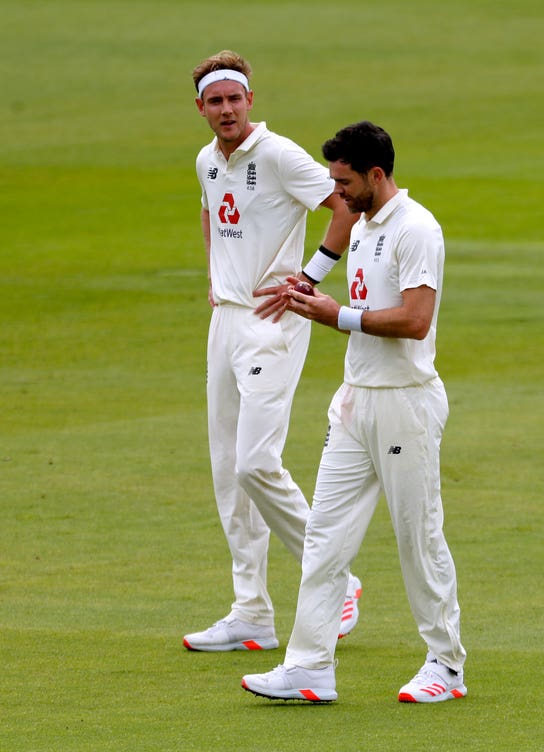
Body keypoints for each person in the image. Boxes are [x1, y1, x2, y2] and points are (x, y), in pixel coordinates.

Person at [241, 121, 467, 702]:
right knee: (323, 537)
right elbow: (355, 300)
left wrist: (335, 315)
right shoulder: (364, 224)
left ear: (375, 174)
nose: (335, 198)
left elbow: (415, 321)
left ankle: (445, 664)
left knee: (417, 537)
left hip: (405, 405)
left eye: (343, 185)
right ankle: (310, 667)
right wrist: (310, 292)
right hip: (355, 401)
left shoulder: (417, 229)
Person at [182, 51, 363, 653]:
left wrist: (308, 278)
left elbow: (341, 208)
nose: (227, 109)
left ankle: (339, 582)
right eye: (216, 101)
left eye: (235, 98)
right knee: (228, 474)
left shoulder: (280, 154)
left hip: (273, 321)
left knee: (255, 462)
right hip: (226, 323)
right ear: (202, 107)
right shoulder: (208, 159)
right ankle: (251, 612)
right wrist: (215, 277)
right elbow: (212, 215)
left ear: (249, 100)